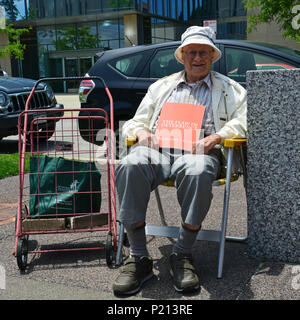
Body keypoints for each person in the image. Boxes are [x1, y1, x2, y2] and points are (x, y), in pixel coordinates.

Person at [113, 26, 247, 295]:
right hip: (159, 149)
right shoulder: (161, 86)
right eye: (192, 53)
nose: (197, 58)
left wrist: (217, 137)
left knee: (197, 169)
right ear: (182, 56)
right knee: (129, 164)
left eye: (203, 53)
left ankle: (182, 254)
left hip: (201, 151)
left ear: (213, 57)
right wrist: (140, 132)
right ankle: (139, 257)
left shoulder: (231, 89)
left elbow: (245, 121)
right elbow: (136, 121)